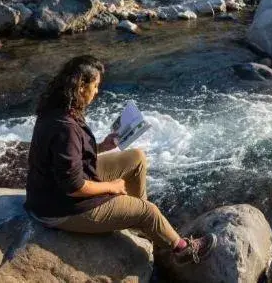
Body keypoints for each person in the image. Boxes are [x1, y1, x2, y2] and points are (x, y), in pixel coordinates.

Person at [25, 55, 217, 265]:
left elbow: (65, 157)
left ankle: (139, 222)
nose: (97, 91)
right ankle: (182, 250)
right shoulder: (66, 127)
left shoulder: (57, 109)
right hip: (59, 208)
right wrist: (112, 186)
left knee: (136, 158)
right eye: (95, 86)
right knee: (149, 211)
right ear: (81, 86)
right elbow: (74, 186)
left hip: (53, 189)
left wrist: (101, 147)